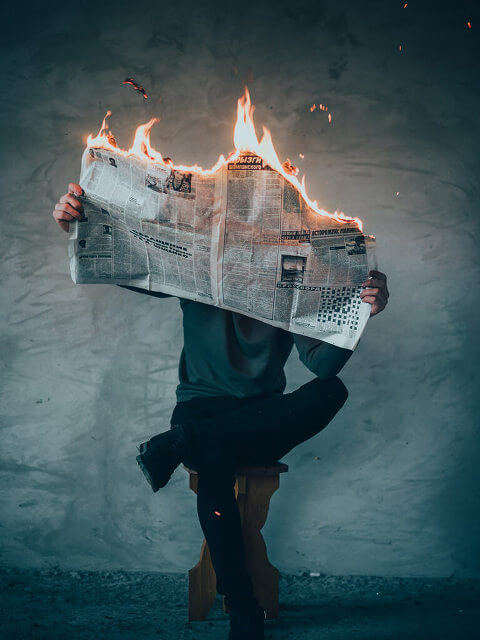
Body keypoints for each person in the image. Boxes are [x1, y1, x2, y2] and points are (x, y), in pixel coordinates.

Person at [53, 183, 389, 639]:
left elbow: (323, 365)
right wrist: (77, 222)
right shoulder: (194, 263)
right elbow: (125, 262)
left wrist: (360, 311)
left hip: (261, 419)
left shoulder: (295, 274)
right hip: (201, 410)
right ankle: (243, 609)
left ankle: (180, 446)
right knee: (214, 466)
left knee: (332, 391)